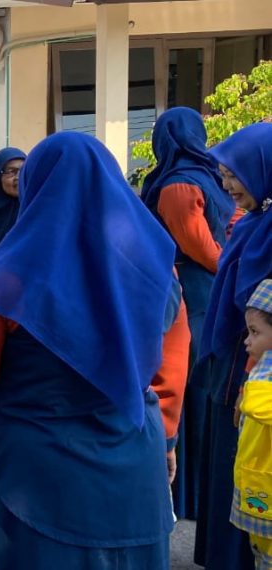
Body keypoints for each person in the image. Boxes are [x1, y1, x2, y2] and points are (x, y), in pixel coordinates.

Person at [0, 132, 189, 568]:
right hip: (132, 458)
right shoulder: (156, 266)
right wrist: (166, 438)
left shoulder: (7, 276)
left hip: (39, 477)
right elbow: (171, 363)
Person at [140, 107, 234, 521]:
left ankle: (189, 493)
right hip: (205, 291)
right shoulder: (207, 176)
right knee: (193, 386)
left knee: (189, 382)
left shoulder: (176, 184)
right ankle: (191, 493)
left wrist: (231, 265)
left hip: (193, 293)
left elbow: (202, 249)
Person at [197, 122, 272, 569]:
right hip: (235, 359)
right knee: (232, 462)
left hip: (260, 373)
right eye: (223, 174)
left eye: (234, 174)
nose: (226, 185)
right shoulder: (255, 223)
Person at [232, 279, 272, 569]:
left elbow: (257, 405)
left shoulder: (264, 378)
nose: (247, 340)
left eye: (255, 332)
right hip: (259, 489)